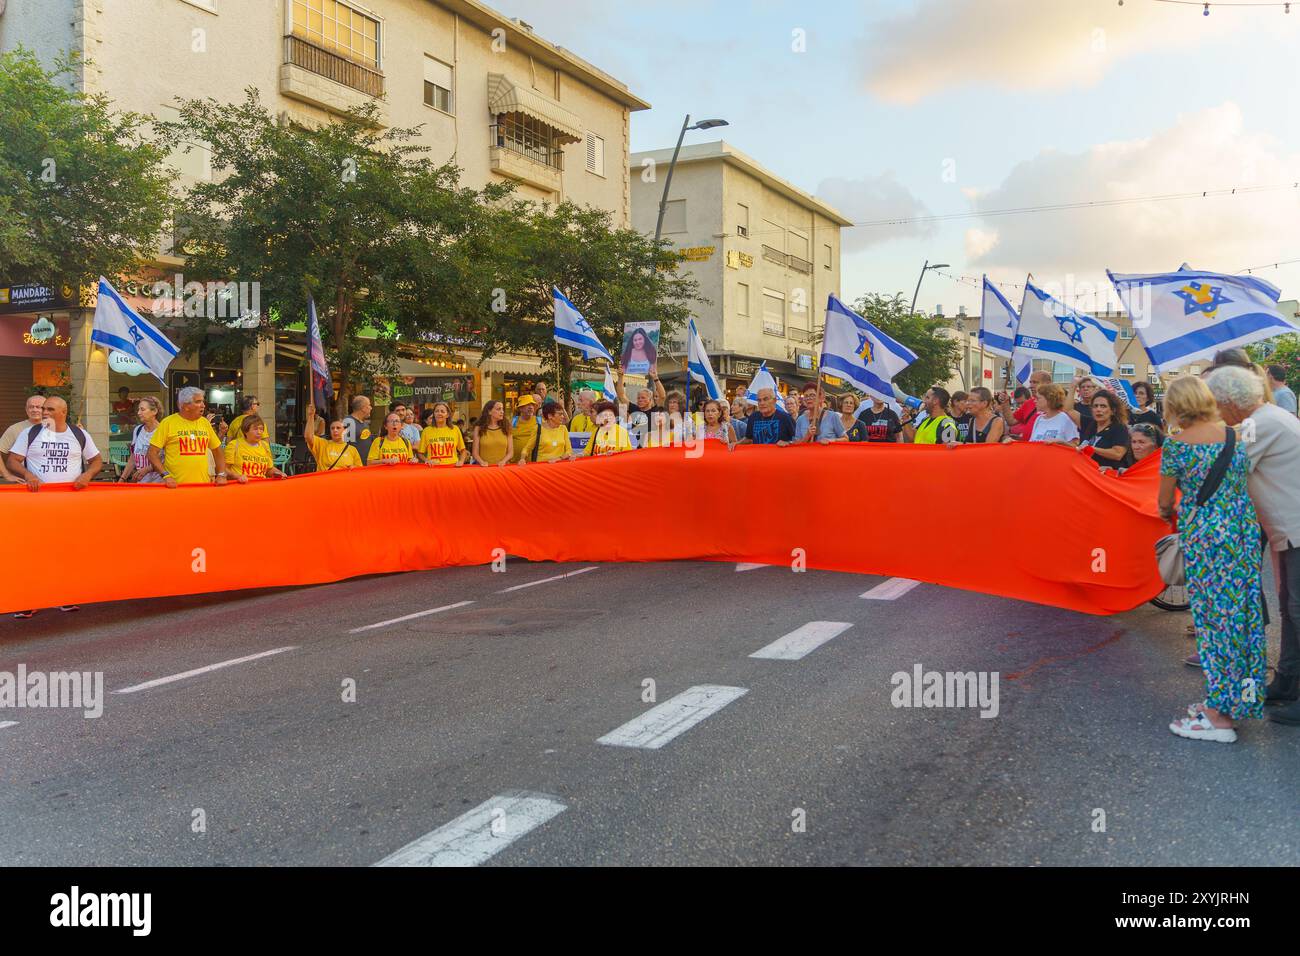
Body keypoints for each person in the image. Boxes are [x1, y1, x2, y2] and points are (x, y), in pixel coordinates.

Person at [1158, 374, 1267, 743]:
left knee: (1213, 623)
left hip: (1207, 540)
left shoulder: (1177, 445)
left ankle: (1219, 716)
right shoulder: (1236, 438)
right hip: (1242, 534)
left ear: (1175, 406)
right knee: (1243, 617)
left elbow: (1163, 503)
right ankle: (1241, 702)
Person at [1205, 365, 1300, 726]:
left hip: (1294, 524)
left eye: (1217, 404)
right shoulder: (1270, 416)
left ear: (1230, 401)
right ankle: (1288, 681)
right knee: (1291, 610)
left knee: (1297, 609)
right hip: (1290, 527)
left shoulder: (1257, 425)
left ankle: (1292, 684)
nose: (1217, 411)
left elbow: (1226, 470)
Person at [7, 395, 102, 491]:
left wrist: (87, 475)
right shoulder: (29, 433)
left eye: (50, 409)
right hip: (38, 494)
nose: (44, 412)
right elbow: (12, 461)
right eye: (43, 409)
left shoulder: (80, 434)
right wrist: (28, 475)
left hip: (72, 493)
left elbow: (96, 460)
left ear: (64, 412)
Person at [149, 386, 228, 487]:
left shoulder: (204, 422)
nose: (203, 405)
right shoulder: (168, 423)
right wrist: (166, 476)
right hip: (176, 488)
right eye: (198, 402)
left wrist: (221, 474)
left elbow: (217, 450)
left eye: (203, 401)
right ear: (185, 405)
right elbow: (152, 453)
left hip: (203, 486)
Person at [0, 394, 50, 483]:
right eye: (31, 407)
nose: (34, 410)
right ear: (26, 410)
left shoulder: (55, 428)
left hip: (53, 484)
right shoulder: (15, 429)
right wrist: (7, 475)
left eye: (38, 407)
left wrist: (77, 431)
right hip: (24, 483)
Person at [224, 414, 286, 481]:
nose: (259, 432)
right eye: (255, 429)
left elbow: (269, 469)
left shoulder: (265, 446)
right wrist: (237, 476)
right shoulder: (234, 445)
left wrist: (279, 473)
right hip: (240, 487)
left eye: (261, 429)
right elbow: (223, 469)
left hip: (260, 487)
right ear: (245, 431)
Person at [1082, 389, 1133, 470]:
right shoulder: (1090, 425)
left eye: (1103, 406)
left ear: (1113, 411)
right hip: (1089, 473)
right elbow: (1069, 410)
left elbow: (1118, 454)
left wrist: (1092, 449)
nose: (1098, 409)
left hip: (1109, 477)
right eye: (1095, 406)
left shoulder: (1119, 428)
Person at [615, 366, 665, 446]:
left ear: (650, 399)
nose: (640, 400)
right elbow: (621, 396)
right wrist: (620, 377)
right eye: (638, 398)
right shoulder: (634, 409)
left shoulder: (655, 410)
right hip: (634, 447)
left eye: (643, 398)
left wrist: (656, 378)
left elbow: (662, 396)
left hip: (650, 447)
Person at [303, 404, 362, 471]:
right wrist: (311, 416)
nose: (335, 430)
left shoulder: (352, 450)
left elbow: (359, 470)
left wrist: (353, 468)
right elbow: (308, 436)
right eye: (332, 428)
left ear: (345, 431)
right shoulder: (323, 444)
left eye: (338, 428)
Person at [120, 397, 164, 483]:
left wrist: (147, 469)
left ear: (154, 411)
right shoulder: (138, 430)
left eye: (142, 409)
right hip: (141, 483)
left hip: (159, 483)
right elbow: (133, 457)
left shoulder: (163, 430)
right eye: (138, 409)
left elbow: (168, 460)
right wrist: (122, 479)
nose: (139, 413)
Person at [419, 401, 468, 467]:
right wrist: (427, 460)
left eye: (442, 411)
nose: (439, 413)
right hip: (433, 469)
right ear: (434, 414)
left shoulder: (455, 429)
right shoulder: (426, 431)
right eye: (437, 411)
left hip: (452, 468)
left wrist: (461, 461)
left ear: (447, 415)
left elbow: (463, 450)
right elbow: (420, 453)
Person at [472, 400, 513, 466]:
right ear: (489, 411)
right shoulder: (478, 428)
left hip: (502, 469)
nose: (502, 411)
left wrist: (503, 461)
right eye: (498, 409)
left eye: (502, 409)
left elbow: (510, 452)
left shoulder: (507, 428)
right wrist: (482, 462)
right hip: (484, 469)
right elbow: (475, 453)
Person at [342, 395, 374, 462]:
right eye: (369, 405)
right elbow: (344, 445)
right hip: (355, 465)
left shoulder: (364, 423)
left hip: (366, 464)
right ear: (363, 408)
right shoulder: (349, 422)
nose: (371, 408)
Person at [510, 395, 539, 463]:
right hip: (515, 462)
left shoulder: (539, 421)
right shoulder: (513, 421)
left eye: (532, 405)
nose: (530, 407)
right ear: (520, 408)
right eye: (527, 405)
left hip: (534, 462)